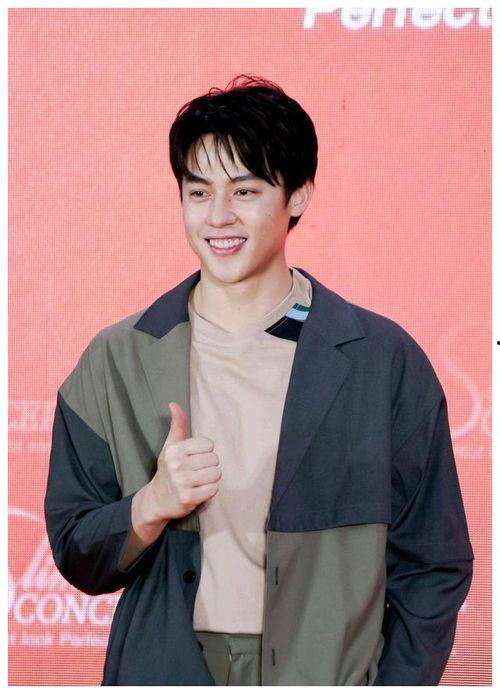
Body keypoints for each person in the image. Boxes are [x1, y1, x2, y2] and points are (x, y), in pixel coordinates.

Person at [44, 75, 474, 686]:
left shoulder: (382, 360)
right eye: (199, 192)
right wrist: (153, 503)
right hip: (166, 669)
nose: (218, 216)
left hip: (328, 673)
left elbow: (434, 562)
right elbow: (74, 548)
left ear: (298, 196)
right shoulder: (117, 359)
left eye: (245, 190)